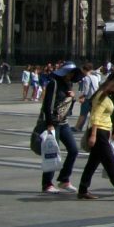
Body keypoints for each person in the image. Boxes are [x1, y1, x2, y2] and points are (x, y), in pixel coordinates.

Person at [77, 69, 114, 200]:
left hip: (104, 132)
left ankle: (82, 189)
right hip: (99, 132)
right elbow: (95, 117)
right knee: (111, 163)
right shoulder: (102, 96)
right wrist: (93, 135)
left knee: (92, 163)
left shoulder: (107, 95)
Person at [38, 62, 83, 194]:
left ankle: (64, 179)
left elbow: (67, 107)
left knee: (73, 150)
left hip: (63, 123)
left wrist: (72, 98)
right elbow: (47, 105)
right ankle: (47, 184)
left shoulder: (68, 85)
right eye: (69, 73)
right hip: (53, 123)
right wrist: (49, 124)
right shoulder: (54, 84)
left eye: (72, 73)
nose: (70, 75)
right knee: (52, 152)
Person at [74, 62, 100, 131]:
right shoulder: (95, 77)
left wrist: (81, 96)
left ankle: (78, 127)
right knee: (93, 114)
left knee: (83, 114)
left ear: (84, 70)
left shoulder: (86, 78)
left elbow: (86, 90)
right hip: (94, 98)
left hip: (88, 98)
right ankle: (92, 128)